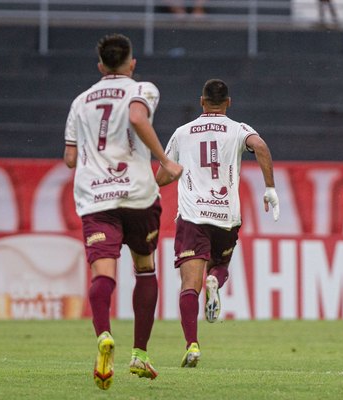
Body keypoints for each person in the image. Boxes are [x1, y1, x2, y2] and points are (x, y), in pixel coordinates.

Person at [63, 33, 182, 390]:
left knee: (103, 271)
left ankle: (103, 336)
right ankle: (140, 354)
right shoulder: (142, 88)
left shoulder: (79, 102)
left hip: (96, 197)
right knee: (145, 269)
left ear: (100, 66)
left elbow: (70, 159)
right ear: (131, 63)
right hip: (136, 195)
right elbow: (135, 116)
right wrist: (165, 160)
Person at [156, 79, 279, 368]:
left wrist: (165, 179)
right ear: (229, 102)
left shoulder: (182, 133)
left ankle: (192, 345)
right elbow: (260, 145)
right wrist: (270, 187)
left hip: (193, 217)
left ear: (201, 101)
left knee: (189, 284)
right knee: (220, 266)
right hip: (226, 217)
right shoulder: (239, 129)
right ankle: (215, 281)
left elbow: (164, 175)